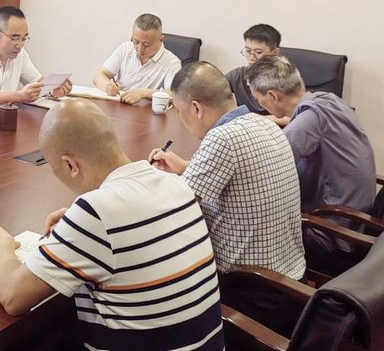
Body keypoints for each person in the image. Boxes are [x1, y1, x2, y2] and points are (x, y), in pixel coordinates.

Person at [0, 99, 224, 351]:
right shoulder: (174, 183)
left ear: (70, 165)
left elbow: (13, 297)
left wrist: (1, 246)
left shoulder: (96, 214)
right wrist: (81, 224)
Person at [149, 62, 306, 337]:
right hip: (291, 281)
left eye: (178, 110)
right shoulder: (264, 124)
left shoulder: (223, 138)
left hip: (251, 291)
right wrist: (185, 167)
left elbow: (174, 209)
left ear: (196, 108)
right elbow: (237, 173)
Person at [247, 54, 376, 253]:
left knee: (251, 223)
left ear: (273, 96)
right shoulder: (329, 100)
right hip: (361, 217)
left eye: (259, 100)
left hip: (336, 231)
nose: (260, 106)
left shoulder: (310, 120)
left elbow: (267, 165)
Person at [93, 13, 182, 105]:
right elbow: (99, 75)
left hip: (146, 111)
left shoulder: (172, 63)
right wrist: (107, 86)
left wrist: (144, 93)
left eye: (146, 45)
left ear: (161, 39)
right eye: (136, 42)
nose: (140, 49)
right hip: (118, 105)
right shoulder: (125, 48)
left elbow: (174, 94)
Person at [224, 23, 289, 126]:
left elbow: (294, 117)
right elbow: (213, 92)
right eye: (248, 51)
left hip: (276, 131)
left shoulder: (286, 79)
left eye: (258, 52)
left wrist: (257, 119)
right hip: (245, 129)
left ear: (275, 53)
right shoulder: (238, 75)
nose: (251, 57)